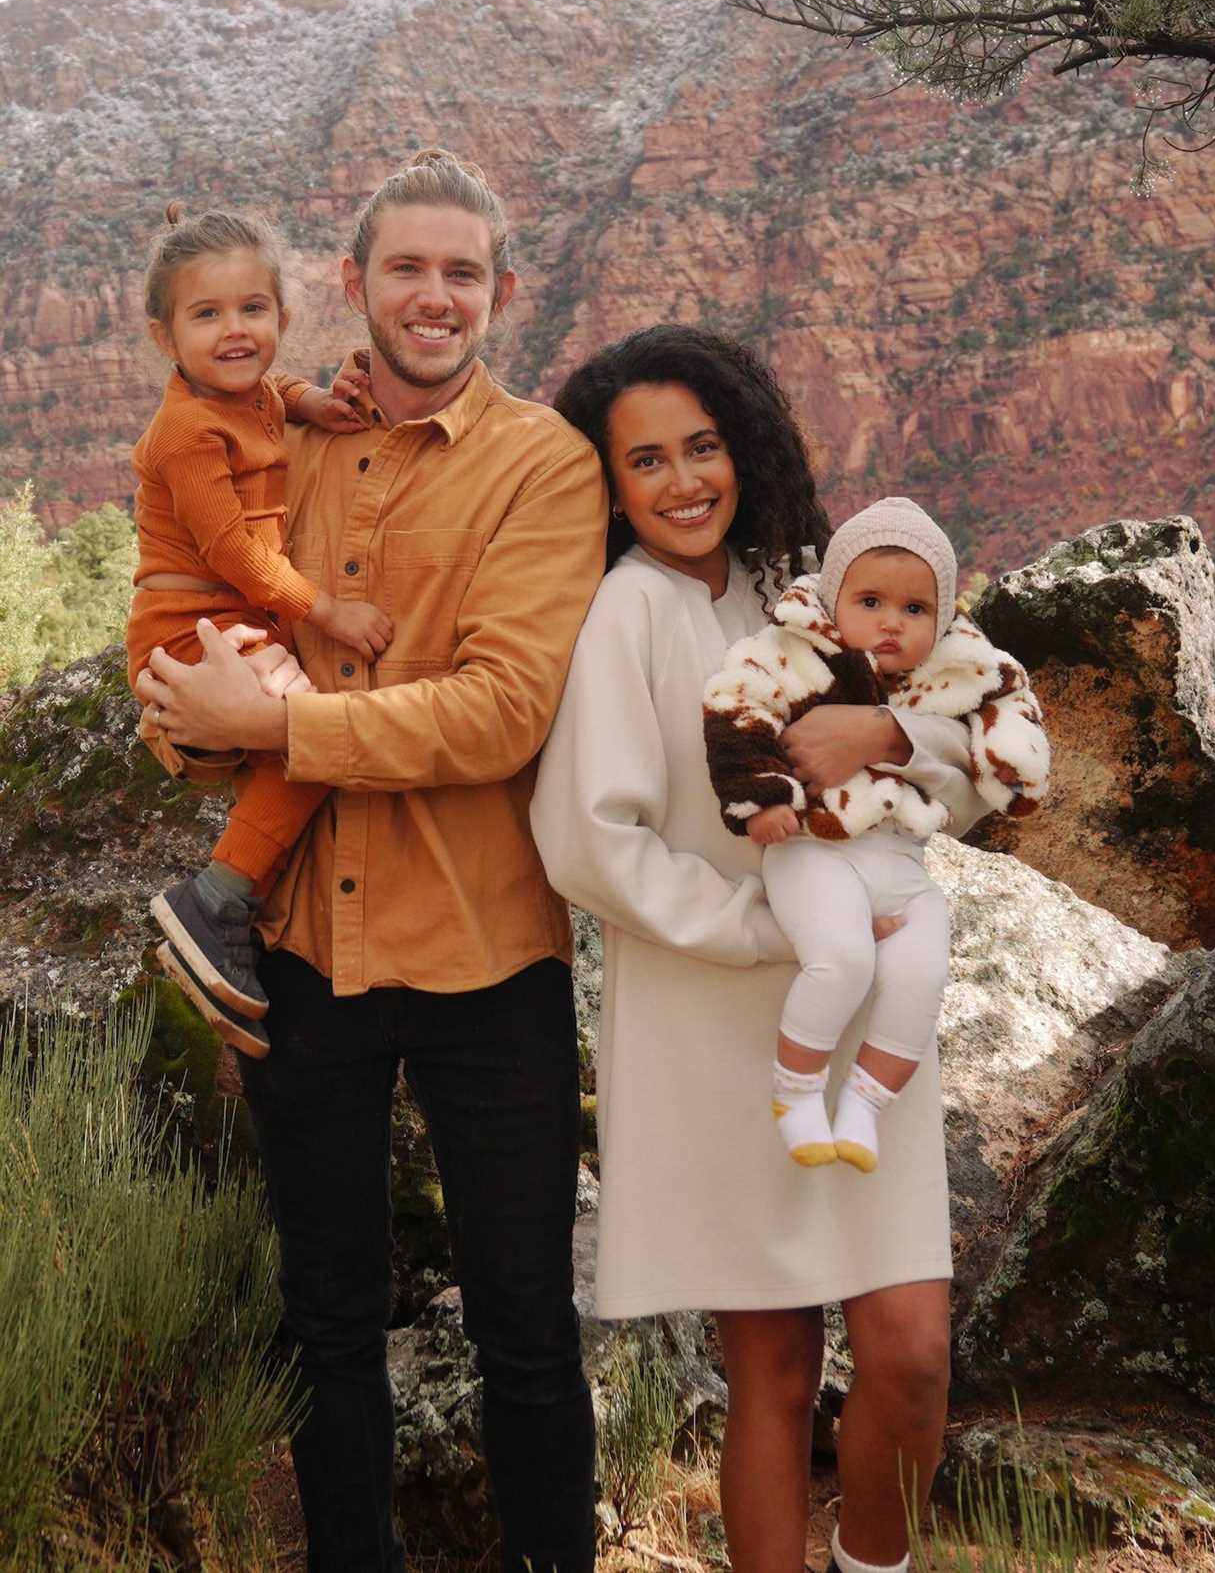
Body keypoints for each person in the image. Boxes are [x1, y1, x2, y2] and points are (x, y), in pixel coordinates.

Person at [135, 149, 608, 1573]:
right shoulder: (275, 440)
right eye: (406, 266)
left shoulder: (546, 465)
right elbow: (194, 681)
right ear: (351, 283)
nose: (434, 296)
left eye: (463, 271)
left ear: (502, 293)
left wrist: (277, 716)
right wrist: (200, 723)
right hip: (304, 952)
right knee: (327, 1315)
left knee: (526, 1319)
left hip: (490, 953)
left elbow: (503, 713)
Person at [530, 328, 994, 1573]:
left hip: (863, 1016)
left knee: (908, 1352)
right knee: (774, 1373)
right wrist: (760, 926)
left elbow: (967, 737)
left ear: (744, 444)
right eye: (645, 459)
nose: (683, 479)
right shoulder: (624, 609)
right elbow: (586, 838)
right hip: (712, 1020)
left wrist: (888, 741)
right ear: (607, 481)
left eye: (702, 444)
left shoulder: (802, 587)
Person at [704, 496, 1049, 1172]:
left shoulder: (962, 666)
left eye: (915, 610)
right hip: (814, 848)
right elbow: (735, 713)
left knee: (921, 974)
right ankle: (797, 1091)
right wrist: (761, 798)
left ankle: (864, 1102)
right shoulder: (787, 653)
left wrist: (1013, 765)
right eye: (870, 602)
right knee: (845, 960)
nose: (892, 622)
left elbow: (1012, 717)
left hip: (901, 862)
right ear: (834, 599)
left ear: (942, 616)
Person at [128, 202, 392, 1055]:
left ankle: (229, 894)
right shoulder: (184, 432)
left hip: (225, 622)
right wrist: (327, 610)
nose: (234, 331)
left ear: (282, 314)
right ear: (166, 337)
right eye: (206, 315)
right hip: (189, 627)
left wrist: (315, 400)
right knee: (314, 733)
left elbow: (274, 396)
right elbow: (235, 552)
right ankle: (218, 898)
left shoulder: (252, 397)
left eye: (253, 309)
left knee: (305, 742)